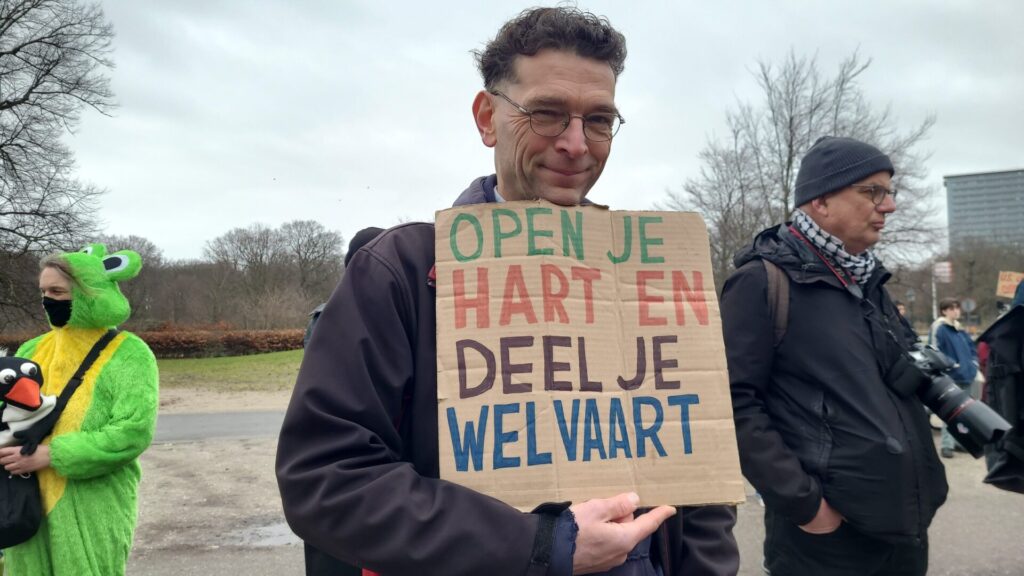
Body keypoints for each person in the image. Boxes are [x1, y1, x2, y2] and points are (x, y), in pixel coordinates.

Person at [277, 7, 739, 576]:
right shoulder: (401, 273)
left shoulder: (652, 272)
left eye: (599, 119)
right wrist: (541, 546)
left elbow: (700, 472)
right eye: (546, 114)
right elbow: (326, 478)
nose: (576, 143)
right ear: (487, 118)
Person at [720, 136, 947, 575]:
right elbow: (733, 404)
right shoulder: (761, 281)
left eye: (889, 192)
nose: (889, 206)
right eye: (872, 192)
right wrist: (805, 506)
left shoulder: (867, 281)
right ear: (820, 201)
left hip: (903, 528)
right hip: (824, 541)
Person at [0, 244, 159, 575]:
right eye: (44, 292)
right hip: (23, 500)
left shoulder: (129, 353)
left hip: (91, 502)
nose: (48, 300)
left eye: (58, 291)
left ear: (89, 294)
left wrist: (52, 455)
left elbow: (132, 432)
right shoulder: (32, 348)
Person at [929, 298, 979, 458]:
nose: (956, 311)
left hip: (967, 375)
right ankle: (946, 445)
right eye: (952, 308)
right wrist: (951, 364)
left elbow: (972, 348)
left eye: (957, 308)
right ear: (944, 311)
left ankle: (959, 442)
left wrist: (974, 363)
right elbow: (934, 350)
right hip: (951, 375)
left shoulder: (960, 329)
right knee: (950, 412)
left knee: (963, 413)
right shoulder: (940, 327)